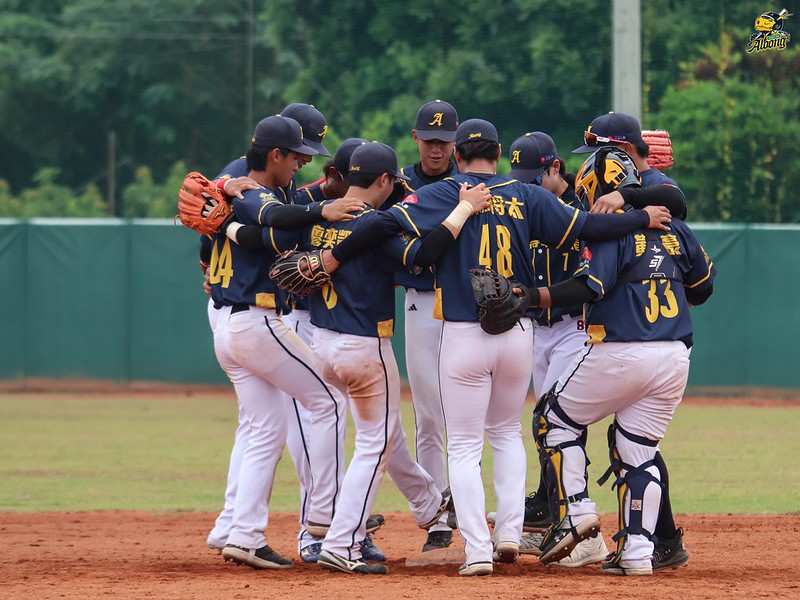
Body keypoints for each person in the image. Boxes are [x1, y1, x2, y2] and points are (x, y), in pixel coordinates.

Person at [312, 119, 673, 576]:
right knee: (506, 434)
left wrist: (329, 249)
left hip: (462, 333)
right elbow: (586, 227)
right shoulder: (528, 195)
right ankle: (508, 532)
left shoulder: (443, 194)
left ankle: (478, 550)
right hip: (518, 333)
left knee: (463, 446)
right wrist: (642, 216)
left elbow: (381, 224)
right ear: (499, 152)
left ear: (458, 155)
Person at [293, 142, 488, 575]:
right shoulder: (376, 226)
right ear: (383, 181)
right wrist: (461, 213)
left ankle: (430, 506)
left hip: (322, 341)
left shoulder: (325, 219)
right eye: (392, 184)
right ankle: (343, 542)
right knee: (375, 444)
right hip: (362, 346)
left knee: (387, 434)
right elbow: (420, 256)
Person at [519, 146, 715, 575]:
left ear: (592, 187)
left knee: (553, 420)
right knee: (637, 449)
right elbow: (702, 289)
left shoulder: (608, 229)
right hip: (675, 356)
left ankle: (576, 513)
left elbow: (590, 287)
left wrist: (532, 297)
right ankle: (638, 556)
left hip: (621, 348)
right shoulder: (676, 227)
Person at [207, 114, 360, 570]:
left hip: (233, 331)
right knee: (330, 397)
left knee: (264, 429)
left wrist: (228, 225)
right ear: (274, 155)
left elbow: (264, 225)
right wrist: (322, 211)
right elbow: (272, 215)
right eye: (295, 156)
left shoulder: (238, 190)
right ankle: (323, 513)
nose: (300, 164)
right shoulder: (253, 192)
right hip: (257, 323)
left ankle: (244, 534)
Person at [573, 111, 691, 570]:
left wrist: (624, 195)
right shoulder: (623, 181)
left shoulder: (645, 183)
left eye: (603, 150)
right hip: (664, 336)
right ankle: (653, 541)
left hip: (634, 330)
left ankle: (654, 538)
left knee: (609, 437)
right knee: (634, 444)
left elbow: (671, 197)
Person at [396, 100, 460, 552]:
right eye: (429, 140)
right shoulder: (398, 182)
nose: (436, 149)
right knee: (428, 413)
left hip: (467, 304)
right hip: (420, 300)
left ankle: (471, 507)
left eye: (444, 141)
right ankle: (439, 516)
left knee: (473, 414)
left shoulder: (473, 181)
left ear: (454, 142)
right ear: (416, 138)